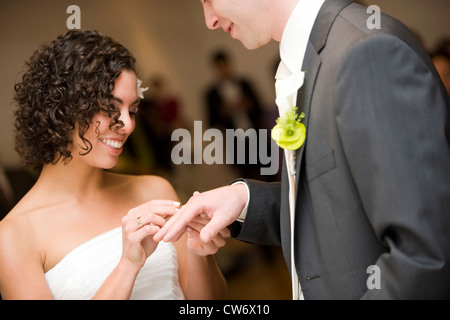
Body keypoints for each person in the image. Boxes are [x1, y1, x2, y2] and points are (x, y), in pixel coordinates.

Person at [155, 0, 450, 299]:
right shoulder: (315, 55)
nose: (209, 21)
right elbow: (335, 200)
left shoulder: (366, 52)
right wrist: (243, 199)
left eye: (208, 0)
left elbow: (424, 253)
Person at [0, 30, 227, 300]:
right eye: (110, 108)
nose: (128, 125)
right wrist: (127, 267)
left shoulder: (155, 190)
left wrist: (200, 253)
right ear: (62, 109)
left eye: (131, 110)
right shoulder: (13, 235)